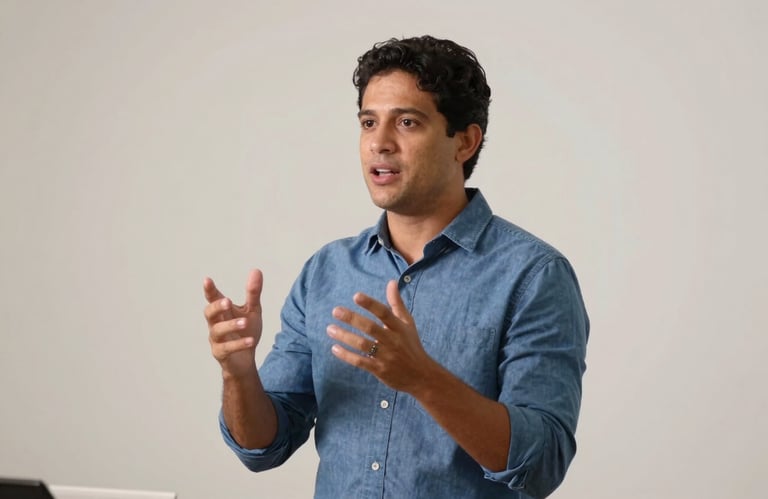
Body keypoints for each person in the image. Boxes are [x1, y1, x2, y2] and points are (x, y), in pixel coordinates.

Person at [203, 35, 589, 499]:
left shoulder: (534, 275)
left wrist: (422, 379)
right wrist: (239, 375)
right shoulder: (327, 270)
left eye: (407, 122)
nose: (379, 143)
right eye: (369, 122)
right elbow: (263, 447)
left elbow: (542, 464)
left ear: (465, 142)